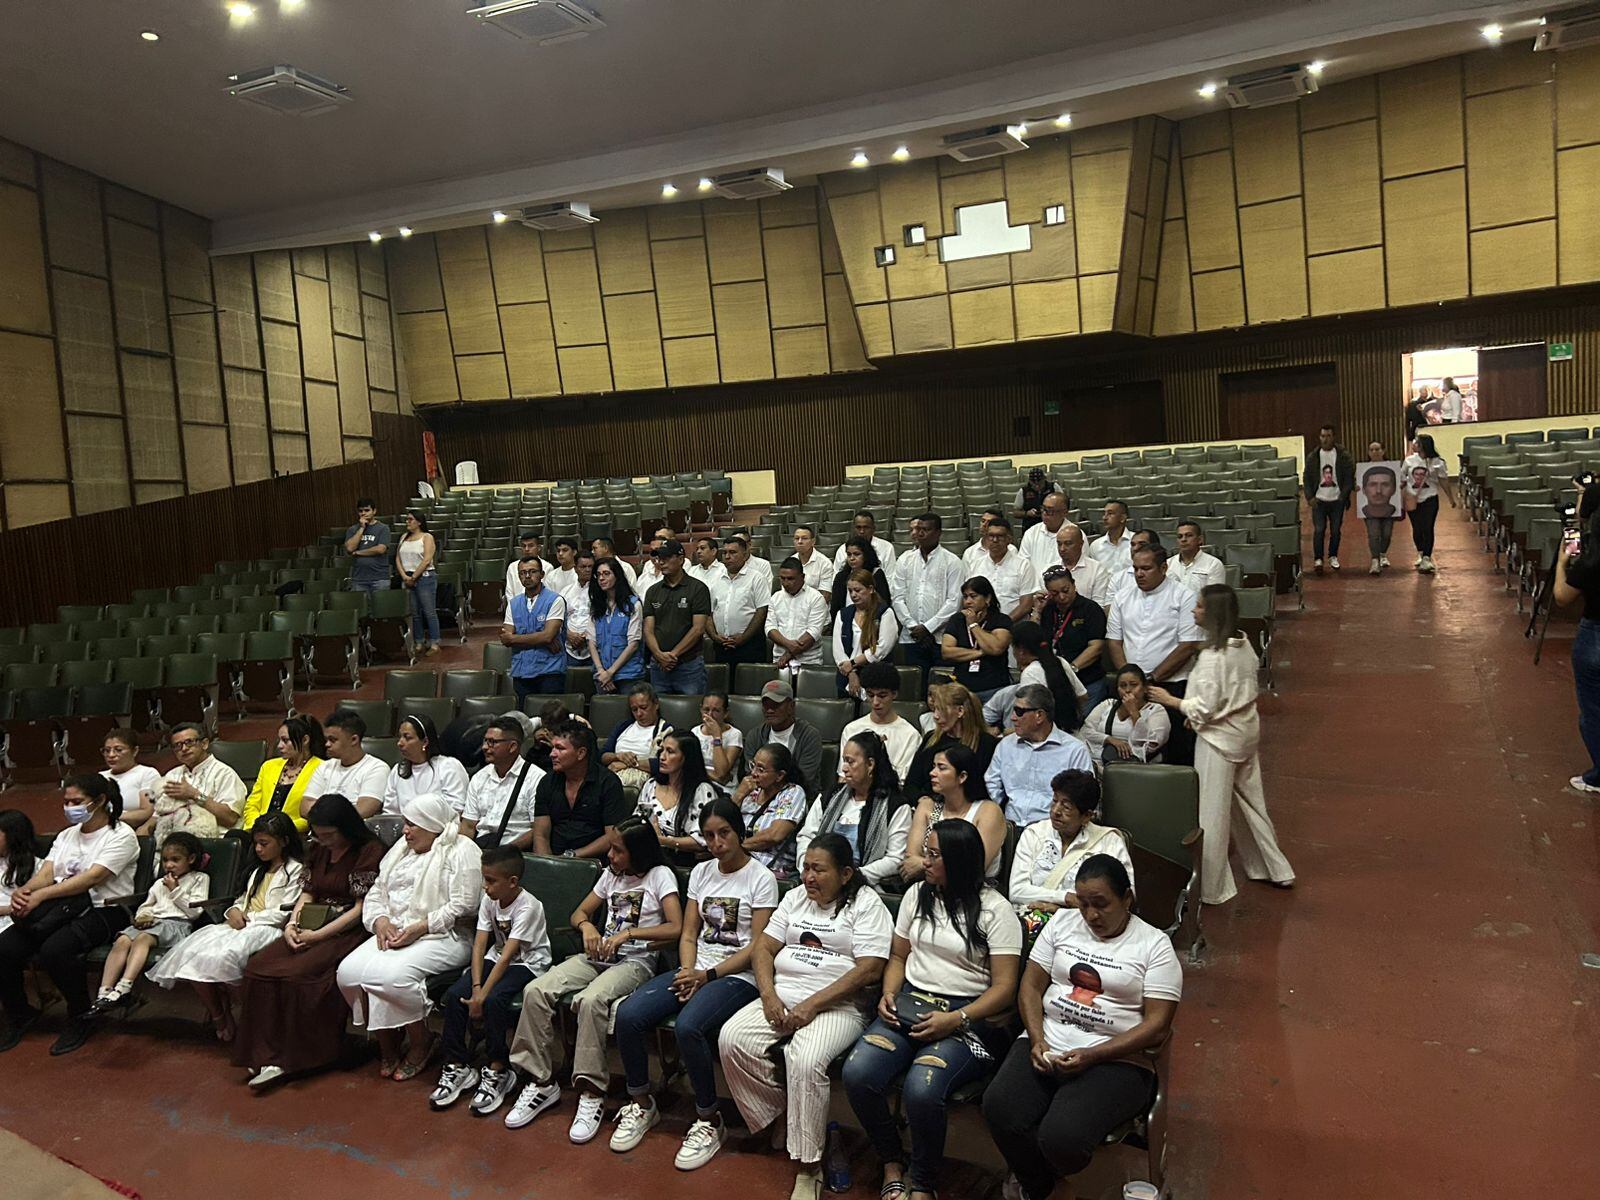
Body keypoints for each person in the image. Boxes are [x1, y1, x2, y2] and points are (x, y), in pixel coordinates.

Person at [981, 855, 1182, 1200]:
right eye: (1084, 904)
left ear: (1127, 899)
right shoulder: (1063, 923)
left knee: (1062, 1138)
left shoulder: (1154, 946)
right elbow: (1031, 986)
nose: (1090, 915)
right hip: (1050, 1040)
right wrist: (1037, 1039)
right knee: (999, 1107)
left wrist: (1093, 1055)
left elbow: (1157, 1024)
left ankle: (1035, 1177)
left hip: (1116, 1057)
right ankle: (1047, 1188)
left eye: (1101, 904)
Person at [845, 820, 1022, 1200]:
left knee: (922, 1088)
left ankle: (924, 1182)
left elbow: (1005, 988)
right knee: (858, 1073)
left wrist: (957, 1018)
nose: (924, 861)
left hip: (968, 1015)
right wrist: (889, 994)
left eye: (934, 855)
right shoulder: (916, 896)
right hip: (911, 1002)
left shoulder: (996, 910)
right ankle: (891, 1160)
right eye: (926, 852)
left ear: (958, 860)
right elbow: (898, 956)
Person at [718, 835, 893, 1200]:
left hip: (840, 1005)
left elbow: (870, 969)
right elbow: (764, 948)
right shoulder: (796, 897)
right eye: (806, 868)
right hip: (784, 994)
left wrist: (812, 1005)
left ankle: (809, 1166)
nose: (809, 877)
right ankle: (786, 1115)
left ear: (845, 874)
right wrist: (768, 996)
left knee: (806, 1059)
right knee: (733, 1039)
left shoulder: (866, 904)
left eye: (819, 870)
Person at [609, 799, 778, 1168]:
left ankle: (709, 1118)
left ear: (739, 832)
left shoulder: (761, 878)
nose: (716, 843)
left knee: (689, 1027)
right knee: (629, 1014)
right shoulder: (701, 872)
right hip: (695, 968)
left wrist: (707, 976)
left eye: (724, 833)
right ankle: (641, 1102)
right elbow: (688, 933)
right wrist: (688, 971)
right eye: (708, 836)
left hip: (737, 976)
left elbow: (758, 947)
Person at [504, 820, 683, 1141]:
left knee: (590, 1000)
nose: (610, 855)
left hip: (635, 961)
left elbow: (676, 926)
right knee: (536, 990)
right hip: (598, 955)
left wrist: (629, 934)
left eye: (618, 850)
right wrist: (587, 927)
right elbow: (579, 913)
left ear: (638, 852)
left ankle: (591, 1092)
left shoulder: (659, 876)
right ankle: (540, 1082)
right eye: (611, 848)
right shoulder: (611, 875)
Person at [1149, 585, 1294, 904]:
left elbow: (1204, 707)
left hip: (1218, 741)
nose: (1194, 610)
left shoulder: (1213, 658)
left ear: (1212, 614)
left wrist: (1171, 701)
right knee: (1252, 804)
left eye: (1200, 606)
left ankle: (1213, 888)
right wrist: (1198, 715)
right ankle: (1274, 868)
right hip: (1244, 732)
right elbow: (1228, 696)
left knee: (1211, 814)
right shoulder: (1243, 643)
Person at [233, 794, 385, 1088]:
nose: (323, 840)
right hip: (310, 922)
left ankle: (294, 1056)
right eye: (319, 834)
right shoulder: (318, 848)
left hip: (346, 928)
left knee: (297, 975)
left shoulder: (369, 850)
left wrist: (319, 936)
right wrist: (292, 925)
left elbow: (360, 908)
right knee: (258, 968)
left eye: (329, 835)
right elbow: (308, 893)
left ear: (346, 828)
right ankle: (262, 1051)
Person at [337, 792, 483, 1080]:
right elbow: (377, 891)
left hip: (445, 934)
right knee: (348, 974)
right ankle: (388, 1039)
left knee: (388, 978)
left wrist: (420, 927)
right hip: (396, 928)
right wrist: (380, 920)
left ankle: (421, 1041)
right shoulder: (401, 849)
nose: (405, 831)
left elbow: (465, 905)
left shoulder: (462, 849)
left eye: (412, 824)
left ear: (432, 825)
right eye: (405, 823)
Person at [0, 775, 139, 1054]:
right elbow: (47, 873)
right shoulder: (66, 835)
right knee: (5, 947)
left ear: (100, 801)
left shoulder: (121, 835)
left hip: (106, 909)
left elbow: (92, 878)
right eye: (67, 802)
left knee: (56, 949)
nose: (70, 807)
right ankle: (20, 1013)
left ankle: (80, 1015)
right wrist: (25, 892)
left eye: (77, 802)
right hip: (61, 907)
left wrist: (41, 895)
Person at [147, 812, 305, 1044]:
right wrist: (233, 911)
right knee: (193, 954)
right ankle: (219, 1015)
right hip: (239, 925)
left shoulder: (296, 870)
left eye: (264, 843)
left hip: (266, 928)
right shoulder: (257, 870)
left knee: (225, 957)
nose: (258, 849)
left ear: (284, 841)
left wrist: (248, 918)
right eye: (256, 843)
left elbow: (283, 912)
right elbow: (242, 899)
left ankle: (250, 1018)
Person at [430, 845, 552, 1116]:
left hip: (528, 963)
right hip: (496, 958)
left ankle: (499, 1067)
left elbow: (509, 956)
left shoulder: (529, 906)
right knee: (455, 995)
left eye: (491, 880)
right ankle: (458, 1064)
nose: (485, 886)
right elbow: (480, 945)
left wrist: (483, 996)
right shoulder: (489, 900)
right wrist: (475, 988)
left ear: (512, 882)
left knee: (496, 1000)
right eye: (484, 879)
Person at [91, 831, 209, 1013]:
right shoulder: (159, 883)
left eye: (175, 860)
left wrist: (175, 890)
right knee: (122, 940)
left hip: (177, 925)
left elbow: (195, 912)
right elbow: (146, 905)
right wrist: (143, 917)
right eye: (165, 860)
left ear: (191, 859)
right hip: (154, 924)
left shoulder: (199, 878)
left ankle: (124, 987)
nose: (168, 865)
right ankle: (104, 992)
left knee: (142, 939)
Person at [1107, 544, 1203, 764]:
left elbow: (1188, 645)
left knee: (1176, 752)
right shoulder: (1122, 597)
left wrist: (1151, 679)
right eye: (1136, 568)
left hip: (1169, 686)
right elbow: (1114, 641)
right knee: (1132, 748)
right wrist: (1129, 680)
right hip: (1131, 689)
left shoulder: (1184, 596)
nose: (1139, 574)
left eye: (1146, 568)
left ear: (1163, 568)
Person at [1008, 771, 1134, 937]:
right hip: (1028, 924)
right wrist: (1065, 898)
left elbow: (1121, 900)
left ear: (1087, 815)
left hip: (1083, 928)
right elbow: (1017, 891)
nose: (1055, 811)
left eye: (1066, 807)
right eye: (1054, 801)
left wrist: (1059, 911)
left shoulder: (1109, 842)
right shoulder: (1034, 834)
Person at [800, 731, 909, 887]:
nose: (844, 768)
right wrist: (807, 869)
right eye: (844, 761)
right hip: (817, 880)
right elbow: (806, 836)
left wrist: (851, 877)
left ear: (870, 764)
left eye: (850, 762)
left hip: (865, 885)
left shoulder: (895, 805)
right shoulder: (829, 797)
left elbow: (895, 858)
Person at [983, 683, 1094, 826]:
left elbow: (1083, 796)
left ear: (1039, 716)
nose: (1013, 718)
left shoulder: (1074, 750)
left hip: (1052, 829)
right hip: (1008, 826)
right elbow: (991, 785)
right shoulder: (1006, 745)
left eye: (1019, 711)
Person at [903, 742, 1007, 884]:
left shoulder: (988, 811)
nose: (932, 773)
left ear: (962, 776)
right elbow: (910, 861)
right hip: (929, 886)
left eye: (941, 768)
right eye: (934, 766)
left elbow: (975, 868)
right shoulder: (928, 807)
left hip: (974, 891)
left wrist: (923, 864)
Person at [532, 721, 632, 859]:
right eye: (553, 747)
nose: (552, 754)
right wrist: (546, 862)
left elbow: (612, 835)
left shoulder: (608, 782)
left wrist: (571, 857)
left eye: (560, 748)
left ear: (580, 753)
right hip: (553, 859)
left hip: (594, 862)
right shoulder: (547, 782)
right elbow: (540, 835)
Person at [1554, 492, 1600, 793]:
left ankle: (1598, 776)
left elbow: (1562, 597)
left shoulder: (1590, 562)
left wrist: (1562, 564)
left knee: (1594, 709)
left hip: (1595, 636)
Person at [893, 513, 965, 682]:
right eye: (918, 529)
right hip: (911, 637)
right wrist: (913, 626)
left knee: (941, 687)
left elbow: (954, 601)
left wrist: (927, 628)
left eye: (926, 530)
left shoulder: (952, 562)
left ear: (938, 533)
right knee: (913, 685)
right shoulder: (905, 559)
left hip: (941, 638)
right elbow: (897, 598)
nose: (920, 533)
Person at [143, 723, 248, 839]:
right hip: (174, 840)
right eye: (177, 745)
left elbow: (230, 818)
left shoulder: (224, 773)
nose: (184, 749)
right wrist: (142, 832)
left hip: (213, 840)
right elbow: (158, 815)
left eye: (189, 742)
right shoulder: (172, 775)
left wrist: (194, 795)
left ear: (204, 744)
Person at [983, 620, 1088, 733]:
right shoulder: (1061, 661)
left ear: (1021, 650)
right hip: (1070, 731)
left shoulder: (1030, 673)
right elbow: (1083, 696)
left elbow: (1029, 717)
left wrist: (1006, 733)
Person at [460, 718, 544, 850]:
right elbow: (468, 826)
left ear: (512, 746)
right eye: (485, 741)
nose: (485, 747)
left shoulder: (536, 778)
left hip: (516, 852)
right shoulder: (479, 778)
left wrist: (503, 852)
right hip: (481, 848)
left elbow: (537, 831)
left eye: (492, 742)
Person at [642, 539, 713, 695]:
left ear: (681, 559)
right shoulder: (652, 591)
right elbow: (648, 630)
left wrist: (673, 655)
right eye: (659, 558)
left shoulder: (698, 588)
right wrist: (659, 655)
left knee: (691, 708)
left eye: (667, 558)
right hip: (658, 665)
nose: (661, 562)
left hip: (689, 666)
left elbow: (698, 628)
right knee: (658, 707)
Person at [904, 682, 998, 798]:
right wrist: (922, 800)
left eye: (941, 710)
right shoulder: (931, 739)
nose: (935, 716)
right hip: (929, 803)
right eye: (935, 709)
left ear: (960, 711)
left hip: (967, 805)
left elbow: (985, 789)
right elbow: (911, 784)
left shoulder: (986, 743)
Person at [730, 743, 810, 878]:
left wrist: (736, 847)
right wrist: (738, 796)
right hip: (739, 862)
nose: (753, 773)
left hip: (770, 869)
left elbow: (775, 835)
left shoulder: (793, 793)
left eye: (761, 769)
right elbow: (722, 822)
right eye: (753, 765)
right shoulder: (750, 791)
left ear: (780, 775)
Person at [636, 731, 718, 859]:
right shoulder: (651, 785)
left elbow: (704, 840)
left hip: (684, 862)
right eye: (662, 750)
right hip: (648, 857)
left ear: (686, 758)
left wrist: (664, 841)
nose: (662, 757)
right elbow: (635, 823)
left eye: (670, 752)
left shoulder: (702, 791)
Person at [1036, 566, 1109, 708]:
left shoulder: (1090, 609)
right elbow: (1034, 640)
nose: (1061, 597)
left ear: (1074, 584)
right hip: (1057, 684)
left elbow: (1096, 647)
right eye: (1054, 593)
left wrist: (1070, 670)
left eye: (1065, 590)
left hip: (1087, 681)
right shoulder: (1048, 609)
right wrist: (1037, 611)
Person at [838, 661, 922, 782]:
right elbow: (844, 777)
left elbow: (905, 783)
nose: (876, 702)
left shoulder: (910, 735)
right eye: (870, 695)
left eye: (882, 696)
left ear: (894, 694)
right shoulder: (851, 729)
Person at [239, 715, 326, 831]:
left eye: (285, 741)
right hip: (260, 831)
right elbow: (252, 805)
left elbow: (315, 815)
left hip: (294, 834)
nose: (279, 746)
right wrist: (258, 826)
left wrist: (280, 829)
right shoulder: (268, 766)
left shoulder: (322, 769)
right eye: (279, 740)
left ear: (305, 740)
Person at [501, 557, 569, 704]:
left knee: (550, 716)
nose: (527, 576)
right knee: (525, 715)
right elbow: (506, 639)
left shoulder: (555, 600)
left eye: (532, 572)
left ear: (542, 574)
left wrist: (516, 638)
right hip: (521, 671)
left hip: (550, 671)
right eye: (523, 573)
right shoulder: (513, 603)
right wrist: (541, 639)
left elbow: (548, 636)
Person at [746, 679, 826, 804]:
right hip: (760, 798)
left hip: (799, 799)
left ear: (791, 706)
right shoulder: (755, 735)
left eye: (776, 705)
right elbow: (751, 776)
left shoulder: (809, 736)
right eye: (766, 705)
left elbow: (804, 780)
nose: (770, 710)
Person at [1079, 664, 1172, 769]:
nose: (1128, 690)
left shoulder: (1155, 710)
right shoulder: (1108, 704)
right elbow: (1085, 731)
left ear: (1145, 688)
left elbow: (1152, 745)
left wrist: (1134, 712)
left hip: (1138, 767)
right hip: (1099, 762)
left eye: (1133, 685)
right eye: (1123, 686)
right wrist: (1109, 739)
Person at [304, 708, 391, 818]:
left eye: (333, 740)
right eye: (326, 740)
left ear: (354, 739)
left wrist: (321, 812)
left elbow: (364, 810)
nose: (327, 744)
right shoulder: (324, 766)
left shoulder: (377, 768)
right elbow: (305, 807)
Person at [940, 577, 1014, 702]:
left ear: (987, 598)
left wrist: (973, 625)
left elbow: (996, 648)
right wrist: (981, 652)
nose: (968, 601)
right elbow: (946, 652)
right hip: (962, 689)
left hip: (994, 689)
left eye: (973, 596)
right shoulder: (957, 620)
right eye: (965, 597)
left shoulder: (1001, 620)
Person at [381, 714, 470, 816]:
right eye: (400, 737)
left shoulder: (448, 766)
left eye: (407, 738)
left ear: (425, 742)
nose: (400, 743)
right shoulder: (399, 770)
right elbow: (390, 813)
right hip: (404, 825)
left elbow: (456, 809)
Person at [833, 569, 900, 698]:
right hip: (846, 676)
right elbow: (838, 650)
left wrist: (853, 663)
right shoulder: (843, 614)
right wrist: (851, 672)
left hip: (877, 677)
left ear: (870, 589)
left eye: (858, 590)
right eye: (850, 591)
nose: (853, 595)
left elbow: (882, 648)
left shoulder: (885, 613)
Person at [710, 535, 771, 672]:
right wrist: (715, 636)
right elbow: (709, 612)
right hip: (721, 646)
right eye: (724, 552)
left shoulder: (757, 578)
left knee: (749, 682)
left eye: (732, 552)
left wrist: (743, 638)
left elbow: (762, 611)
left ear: (744, 555)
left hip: (750, 646)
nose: (727, 556)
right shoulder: (716, 580)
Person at [600, 682, 674, 792]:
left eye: (643, 707)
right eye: (634, 709)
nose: (639, 714)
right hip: (612, 777)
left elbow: (665, 764)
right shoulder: (623, 726)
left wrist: (629, 764)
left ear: (656, 704)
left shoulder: (665, 730)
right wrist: (618, 756)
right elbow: (602, 755)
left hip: (643, 783)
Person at [968, 518, 1044, 622]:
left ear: (1009, 539)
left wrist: (1004, 623)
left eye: (1000, 536)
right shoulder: (976, 565)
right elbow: (970, 599)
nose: (995, 540)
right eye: (991, 536)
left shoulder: (1023, 565)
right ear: (986, 538)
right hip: (982, 625)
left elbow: (1026, 604)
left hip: (1015, 625)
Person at [588, 557, 645, 693]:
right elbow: (591, 641)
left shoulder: (633, 604)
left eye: (606, 574)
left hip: (628, 674)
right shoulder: (597, 605)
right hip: (602, 675)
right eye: (598, 575)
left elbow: (633, 643)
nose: (601, 578)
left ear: (617, 576)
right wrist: (602, 671)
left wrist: (611, 672)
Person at [1304, 423, 1355, 572]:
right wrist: (1309, 497)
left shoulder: (1343, 455)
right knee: (1319, 529)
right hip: (1319, 500)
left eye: (1328, 436)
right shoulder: (1313, 456)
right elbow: (1307, 478)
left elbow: (1349, 476)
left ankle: (1333, 555)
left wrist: (1343, 495)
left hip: (1337, 500)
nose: (1325, 439)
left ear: (1334, 437)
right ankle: (1318, 559)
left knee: (1336, 530)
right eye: (1323, 436)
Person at [1402, 432, 1454, 574]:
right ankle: (1420, 552)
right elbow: (1402, 478)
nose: (1414, 445)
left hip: (1430, 498)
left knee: (1428, 527)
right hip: (1413, 498)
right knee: (1417, 527)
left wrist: (1450, 498)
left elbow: (1443, 480)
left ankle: (1427, 556)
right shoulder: (1409, 461)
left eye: (1417, 443)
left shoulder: (1437, 462)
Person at [768, 556, 830, 676]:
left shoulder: (816, 598)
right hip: (779, 661)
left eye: (790, 579)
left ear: (802, 577)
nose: (786, 583)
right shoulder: (775, 598)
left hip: (808, 661)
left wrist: (788, 654)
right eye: (782, 578)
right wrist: (789, 644)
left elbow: (813, 632)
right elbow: (770, 628)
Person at [395, 509, 441, 657]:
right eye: (407, 519)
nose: (407, 522)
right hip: (407, 577)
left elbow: (427, 560)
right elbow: (398, 558)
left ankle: (434, 643)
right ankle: (419, 641)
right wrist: (404, 576)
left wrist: (414, 577)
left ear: (419, 522)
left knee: (429, 611)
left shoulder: (427, 537)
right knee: (414, 613)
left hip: (424, 577)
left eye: (410, 519)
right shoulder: (403, 537)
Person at [102, 728, 161, 827]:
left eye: (118, 750)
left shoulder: (147, 773)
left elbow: (146, 812)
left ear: (135, 751)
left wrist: (110, 817)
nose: (111, 755)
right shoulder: (101, 776)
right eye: (107, 751)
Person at [830, 536, 893, 619]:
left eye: (856, 554)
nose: (852, 558)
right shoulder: (841, 577)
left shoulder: (876, 574)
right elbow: (835, 608)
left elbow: (884, 603)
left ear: (866, 555)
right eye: (849, 554)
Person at [694, 691, 743, 792]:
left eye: (716, 711)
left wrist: (716, 736)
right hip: (698, 784)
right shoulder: (694, 732)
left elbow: (721, 773)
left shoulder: (734, 734)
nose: (710, 715)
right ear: (700, 709)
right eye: (706, 710)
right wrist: (713, 776)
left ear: (725, 713)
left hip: (724, 790)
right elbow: (688, 768)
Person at [1055, 523, 1112, 611]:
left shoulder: (1097, 570)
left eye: (1068, 544)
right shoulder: (1050, 569)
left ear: (1081, 544)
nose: (1062, 549)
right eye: (1059, 544)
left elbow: (1098, 607)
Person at [0, 810, 38, 937]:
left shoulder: (38, 867)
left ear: (12, 836)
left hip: (12, 925)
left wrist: (7, 910)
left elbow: (29, 905)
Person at [1362, 443, 1398, 574]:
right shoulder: (1362, 469)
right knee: (1374, 533)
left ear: (1383, 451)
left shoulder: (1393, 467)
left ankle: (1382, 553)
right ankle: (1375, 560)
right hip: (1370, 513)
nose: (1374, 452)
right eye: (1371, 450)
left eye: (1377, 449)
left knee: (1387, 533)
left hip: (1389, 511)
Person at [560, 548, 597, 673]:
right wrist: (568, 634)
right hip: (569, 646)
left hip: (594, 646)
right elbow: (559, 620)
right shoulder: (565, 592)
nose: (587, 570)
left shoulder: (602, 592)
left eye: (590, 566)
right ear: (575, 568)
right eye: (583, 567)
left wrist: (587, 635)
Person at [344, 497, 391, 593]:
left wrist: (358, 553)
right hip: (359, 578)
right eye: (360, 511)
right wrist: (362, 528)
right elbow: (350, 548)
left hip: (379, 578)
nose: (363, 513)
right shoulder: (353, 529)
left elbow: (380, 549)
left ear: (374, 511)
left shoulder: (383, 528)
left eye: (367, 510)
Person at [832, 510, 898, 575]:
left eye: (866, 527)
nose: (862, 531)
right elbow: (836, 575)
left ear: (873, 528)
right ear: (853, 529)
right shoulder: (842, 549)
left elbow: (890, 576)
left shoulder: (887, 547)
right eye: (858, 527)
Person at [1171, 520, 1226, 593]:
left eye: (1189, 535)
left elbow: (1214, 597)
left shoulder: (1214, 564)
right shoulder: (1168, 564)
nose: (1183, 539)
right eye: (1180, 536)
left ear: (1200, 539)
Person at [1020, 490, 1070, 567]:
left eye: (1050, 510)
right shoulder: (1031, 533)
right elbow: (1022, 565)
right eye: (1043, 509)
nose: (1044, 513)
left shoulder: (1076, 536)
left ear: (1064, 513)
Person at [506, 531, 555, 608]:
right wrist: (514, 608)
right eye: (524, 546)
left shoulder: (547, 567)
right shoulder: (512, 567)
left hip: (540, 608)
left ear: (539, 548)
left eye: (530, 546)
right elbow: (509, 593)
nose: (527, 549)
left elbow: (548, 592)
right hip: (517, 608)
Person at [1087, 501, 1135, 574]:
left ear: (1122, 518)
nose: (1104, 517)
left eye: (1110, 513)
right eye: (1104, 514)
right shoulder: (1095, 546)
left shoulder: (1137, 541)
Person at [633, 526, 674, 597]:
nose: (655, 555)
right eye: (652, 552)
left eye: (658, 550)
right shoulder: (643, 577)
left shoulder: (673, 575)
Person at [791, 524, 833, 593]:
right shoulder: (790, 561)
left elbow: (825, 593)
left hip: (816, 599)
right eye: (797, 538)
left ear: (813, 542)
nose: (800, 541)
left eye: (804, 538)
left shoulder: (825, 563)